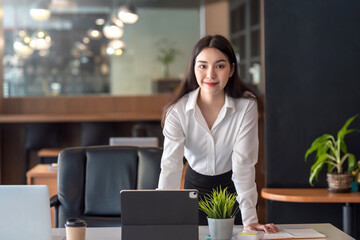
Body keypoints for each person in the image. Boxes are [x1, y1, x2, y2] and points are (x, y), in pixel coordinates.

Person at [157, 35, 278, 234]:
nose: (210, 75)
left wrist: (250, 218)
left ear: (231, 69)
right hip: (194, 189)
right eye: (202, 66)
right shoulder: (176, 111)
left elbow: (243, 163)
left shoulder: (246, 106)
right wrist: (161, 217)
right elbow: (171, 166)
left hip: (233, 190)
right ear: (193, 69)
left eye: (219, 66)